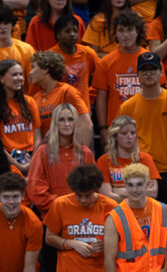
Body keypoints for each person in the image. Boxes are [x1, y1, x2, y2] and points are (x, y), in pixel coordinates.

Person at [104, 163, 167, 272]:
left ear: (147, 184)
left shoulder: (163, 210)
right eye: (130, 185)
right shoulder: (115, 216)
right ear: (124, 186)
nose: (135, 189)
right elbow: (108, 260)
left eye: (139, 184)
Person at [27, 103, 95, 214]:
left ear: (75, 123)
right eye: (61, 120)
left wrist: (78, 204)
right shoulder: (43, 152)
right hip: (52, 214)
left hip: (81, 215)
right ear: (55, 123)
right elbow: (35, 188)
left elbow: (92, 187)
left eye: (70, 119)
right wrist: (62, 205)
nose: (67, 124)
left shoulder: (86, 153)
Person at [94, 9, 150, 139]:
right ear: (115, 33)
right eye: (121, 30)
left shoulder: (149, 59)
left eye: (130, 30)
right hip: (117, 128)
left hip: (146, 126)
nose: (125, 35)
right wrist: (103, 129)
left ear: (138, 32)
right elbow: (101, 98)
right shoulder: (105, 62)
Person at [119, 51, 167, 198]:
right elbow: (118, 142)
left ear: (160, 72)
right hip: (141, 172)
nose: (148, 73)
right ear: (138, 74)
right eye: (144, 70)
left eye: (152, 69)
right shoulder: (127, 107)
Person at [0, 59, 41, 174]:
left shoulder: (30, 102)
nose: (19, 78)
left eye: (20, 74)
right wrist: (18, 166)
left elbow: (37, 136)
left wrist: (34, 161)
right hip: (7, 161)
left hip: (33, 158)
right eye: (14, 75)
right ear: (1, 79)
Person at [29, 50, 92, 143]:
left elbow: (86, 124)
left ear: (45, 69)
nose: (30, 73)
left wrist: (81, 153)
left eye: (33, 67)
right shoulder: (35, 98)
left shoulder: (67, 92)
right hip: (46, 152)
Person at [97, 114, 160, 201]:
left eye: (133, 133)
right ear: (115, 136)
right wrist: (139, 194)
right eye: (124, 133)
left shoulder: (145, 159)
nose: (129, 137)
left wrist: (117, 190)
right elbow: (107, 196)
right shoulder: (104, 161)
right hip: (116, 210)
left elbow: (153, 193)